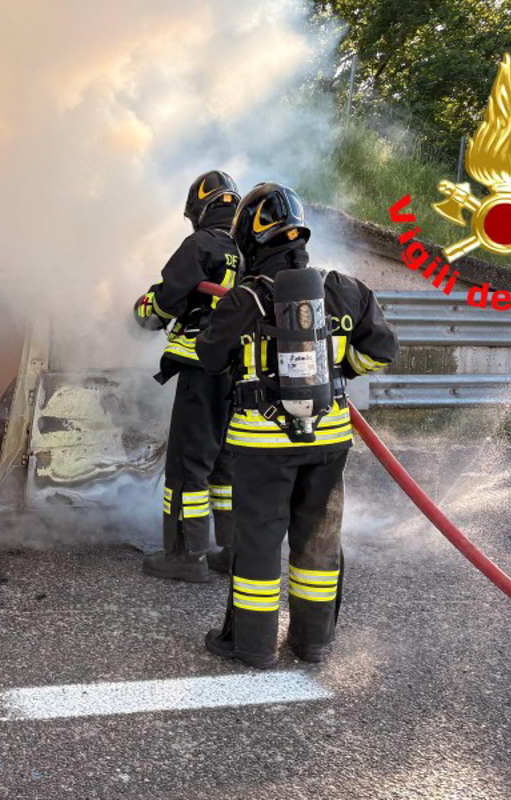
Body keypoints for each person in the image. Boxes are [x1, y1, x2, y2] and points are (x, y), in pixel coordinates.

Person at [194, 182, 398, 667]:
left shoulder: (246, 299)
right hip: (329, 441)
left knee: (260, 541)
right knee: (318, 540)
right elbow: (382, 349)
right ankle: (312, 643)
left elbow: (209, 356)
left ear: (250, 240)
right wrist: (339, 372)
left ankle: (251, 645)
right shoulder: (345, 289)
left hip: (262, 443)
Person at [133, 170, 242, 582]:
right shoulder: (247, 250)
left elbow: (166, 301)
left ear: (199, 210)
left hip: (202, 367)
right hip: (239, 371)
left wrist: (143, 311)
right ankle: (232, 550)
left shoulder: (200, 244)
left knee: (187, 464)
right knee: (225, 463)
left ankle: (184, 555)